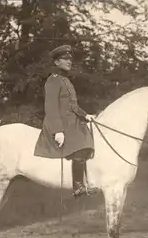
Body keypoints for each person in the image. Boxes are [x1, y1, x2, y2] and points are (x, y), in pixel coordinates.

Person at [34, 45, 99, 198]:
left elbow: (73, 106)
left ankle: (90, 181)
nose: (69, 62)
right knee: (81, 144)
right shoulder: (53, 81)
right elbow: (50, 107)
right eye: (65, 59)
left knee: (88, 139)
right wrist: (57, 130)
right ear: (56, 62)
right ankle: (78, 186)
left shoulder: (66, 81)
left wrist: (85, 115)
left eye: (70, 59)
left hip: (73, 122)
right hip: (60, 123)